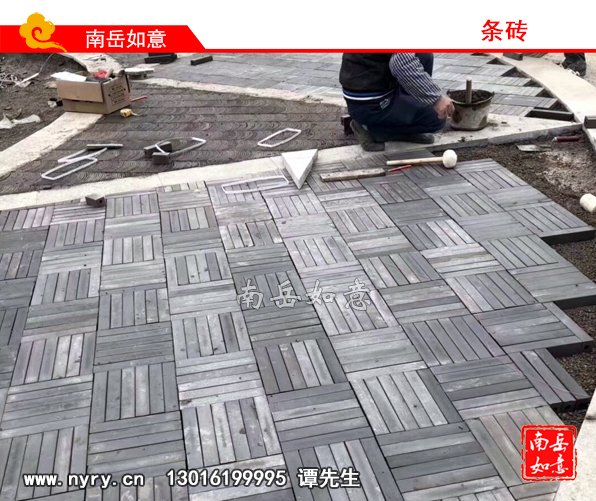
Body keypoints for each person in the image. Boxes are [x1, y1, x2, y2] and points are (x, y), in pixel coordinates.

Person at [339, 53, 454, 151]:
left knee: (423, 55)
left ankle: (394, 118)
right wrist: (437, 99)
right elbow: (400, 64)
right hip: (371, 103)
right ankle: (373, 130)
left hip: (362, 95)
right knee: (436, 118)